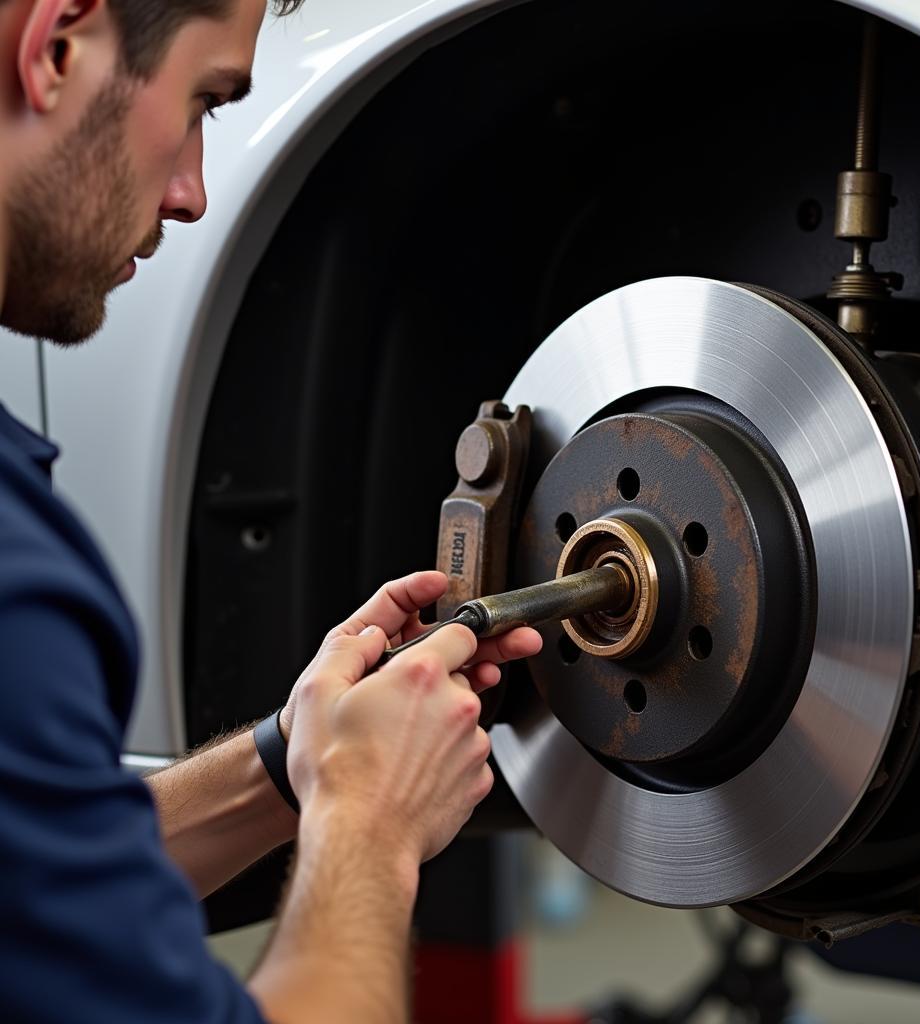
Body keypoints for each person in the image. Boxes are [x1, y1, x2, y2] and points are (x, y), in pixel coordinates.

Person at [0, 2, 543, 1021]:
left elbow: (24, 879)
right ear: (58, 45)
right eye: (202, 100)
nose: (193, 192)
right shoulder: (19, 583)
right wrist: (371, 824)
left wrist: (297, 759)